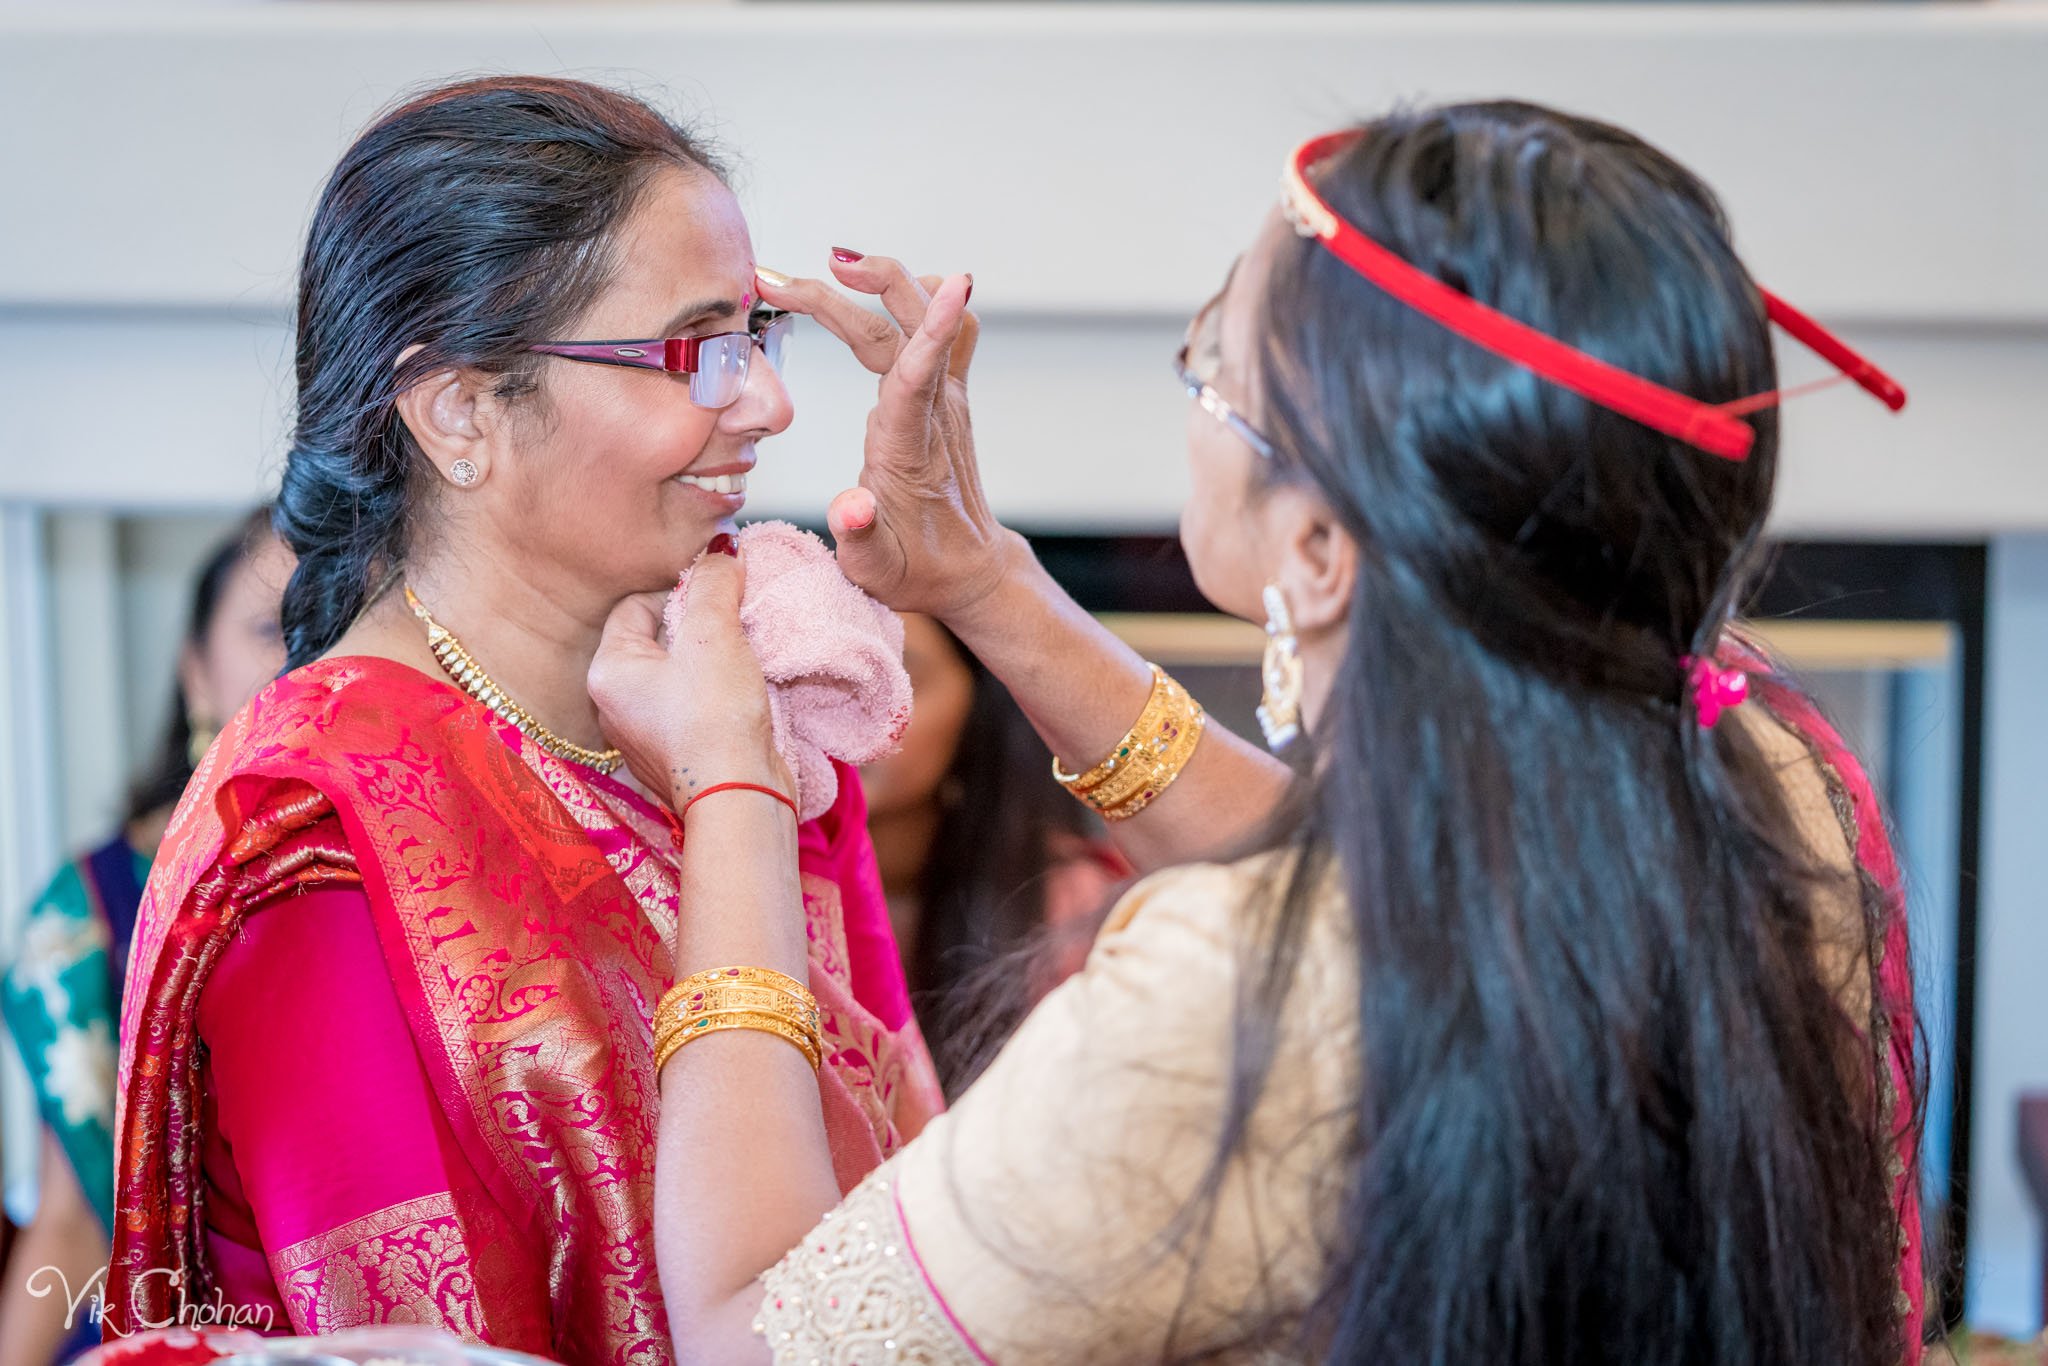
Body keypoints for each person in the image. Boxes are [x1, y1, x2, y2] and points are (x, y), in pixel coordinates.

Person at [593, 101, 1925, 1363]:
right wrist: (988, 585)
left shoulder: (1226, 1004)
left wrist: (733, 789)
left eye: (1213, 365)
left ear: (1318, 547)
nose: (1192, 398)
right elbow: (1376, 892)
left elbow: (754, 1335)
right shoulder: (1756, 766)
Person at [104, 77, 940, 1361]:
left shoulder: (744, 703)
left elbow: (899, 1219)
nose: (768, 404)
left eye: (760, 335)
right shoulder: (312, 843)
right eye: (696, 349)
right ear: (459, 412)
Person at [1, 510, 288, 1366]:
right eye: (270, 626)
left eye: (339, 615)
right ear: (195, 673)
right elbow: (72, 1226)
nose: (306, 650)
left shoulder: (430, 886)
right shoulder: (91, 912)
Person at [861, 613, 1127, 1083]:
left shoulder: (1080, 910)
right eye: (810, 679)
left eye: (893, 680)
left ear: (977, 708)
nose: (840, 712)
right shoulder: (725, 890)